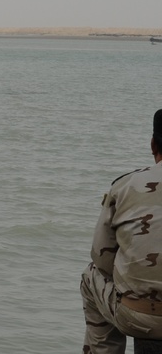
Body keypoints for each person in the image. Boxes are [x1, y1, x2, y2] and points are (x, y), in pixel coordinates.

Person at [81, 109, 162, 352]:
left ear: (152, 144)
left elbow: (101, 258)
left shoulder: (126, 185)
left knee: (90, 277)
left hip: (139, 317)